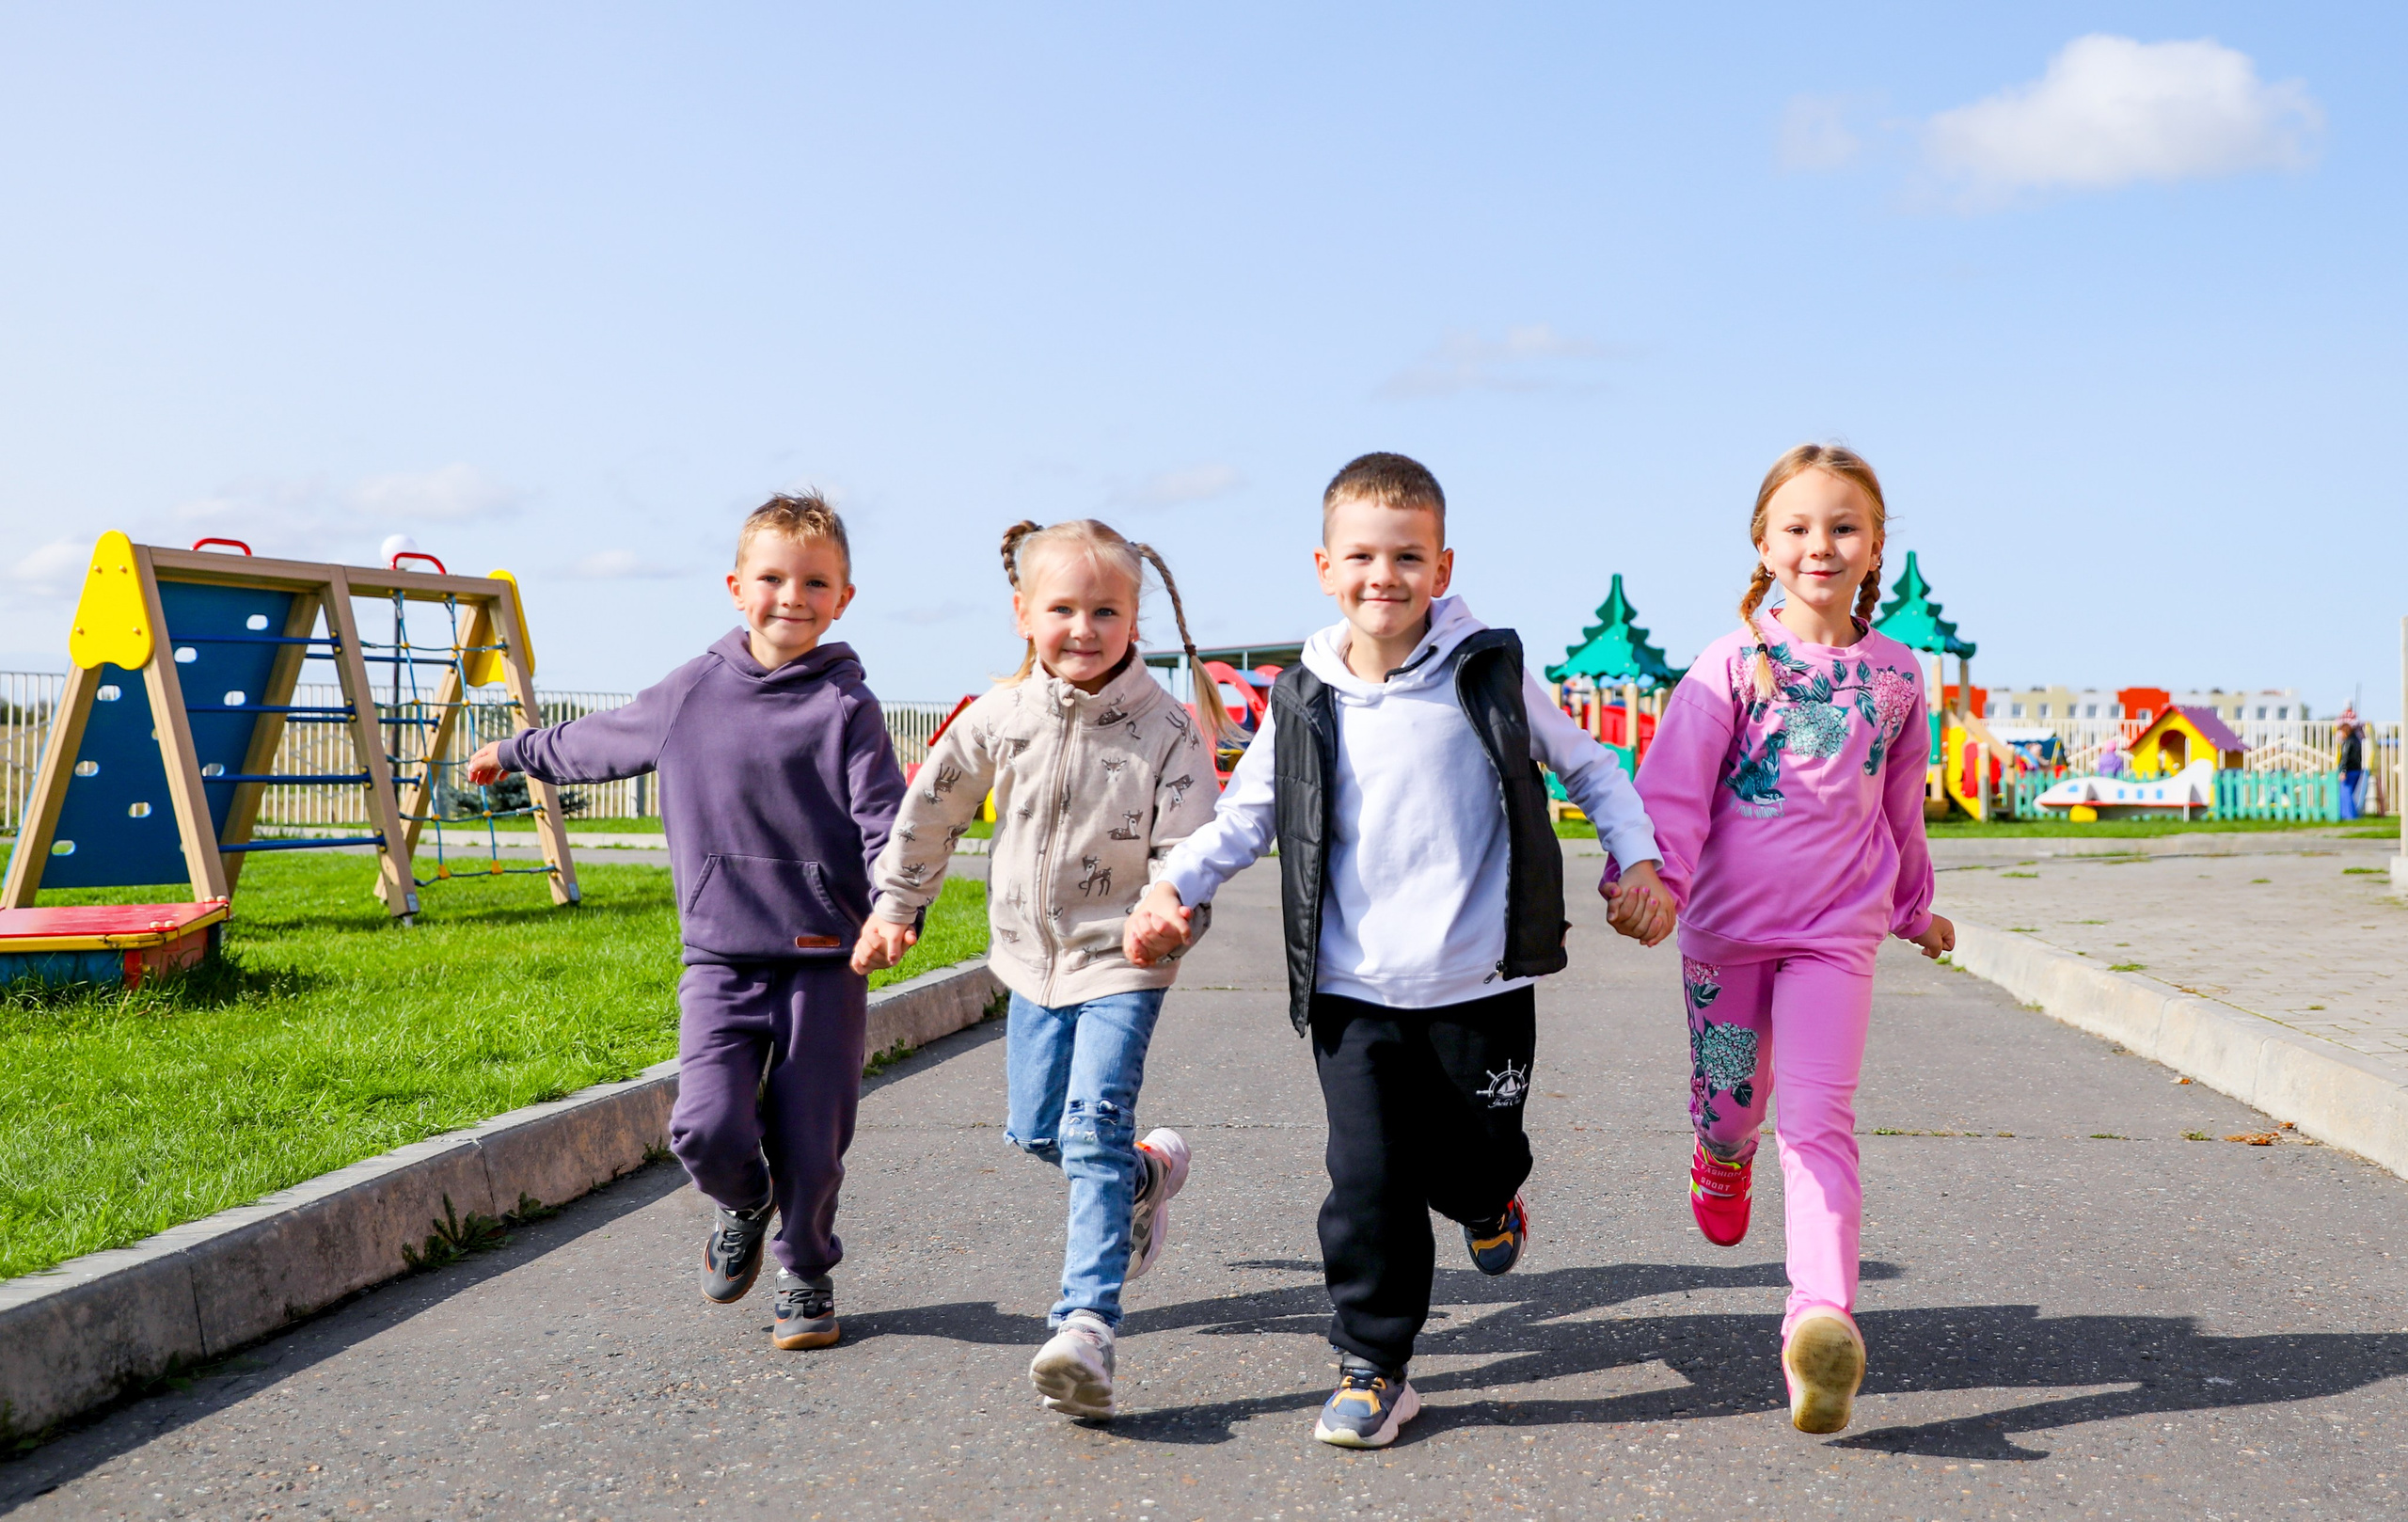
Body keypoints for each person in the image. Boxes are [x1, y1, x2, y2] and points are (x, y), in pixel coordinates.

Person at [1123, 452, 1674, 1450]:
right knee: (1368, 1180)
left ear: (1443, 563)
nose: (1387, 576)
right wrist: (1171, 887)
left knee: (1473, 1162)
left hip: (1480, 981)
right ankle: (1374, 1365)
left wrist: (1634, 862)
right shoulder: (1304, 697)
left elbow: (1590, 766)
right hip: (1352, 991)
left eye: (1409, 555)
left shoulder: (1488, 672)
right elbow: (1247, 820)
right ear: (1326, 567)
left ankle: (1489, 1199)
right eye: (1364, 556)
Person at [465, 493, 904, 1353]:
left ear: (843, 598)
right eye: (773, 578)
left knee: (815, 1138)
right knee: (703, 1125)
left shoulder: (849, 709)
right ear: (737, 586)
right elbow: (604, 738)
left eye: (815, 582)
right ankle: (744, 1202)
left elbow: (885, 820)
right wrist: (517, 751)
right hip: (721, 956)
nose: (792, 597)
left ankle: (806, 1275)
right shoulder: (692, 690)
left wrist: (895, 905)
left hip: (825, 959)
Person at [853, 518, 1233, 1422]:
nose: (1084, 627)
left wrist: (1171, 911)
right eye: (1063, 608)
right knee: (1035, 1133)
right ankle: (1141, 1182)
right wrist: (898, 905)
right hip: (1030, 960)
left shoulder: (1168, 729)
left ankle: (1086, 1327)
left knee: (1094, 1123)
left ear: (1134, 615)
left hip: (1124, 962)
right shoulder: (999, 718)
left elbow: (1195, 848)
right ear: (1024, 613)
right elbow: (930, 811)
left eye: (1106, 609)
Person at [1629, 443, 1954, 1435]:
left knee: (1817, 1119)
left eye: (1844, 527)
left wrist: (1911, 904)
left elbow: (1902, 807)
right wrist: (1649, 878)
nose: (1822, 544)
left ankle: (1819, 1321)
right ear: (1764, 545)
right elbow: (1676, 790)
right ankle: (1717, 1152)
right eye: (1800, 527)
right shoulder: (1731, 664)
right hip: (1724, 940)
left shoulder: (1896, 676)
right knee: (1734, 1103)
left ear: (1876, 549)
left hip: (1834, 936)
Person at [2337, 707, 2365, 821]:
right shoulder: (2357, 741)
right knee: (2349, 792)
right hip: (2356, 769)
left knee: (2345, 792)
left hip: (2348, 771)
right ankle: (2349, 814)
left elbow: (2345, 757)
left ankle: (2349, 815)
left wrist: (2343, 770)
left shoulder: (2347, 742)